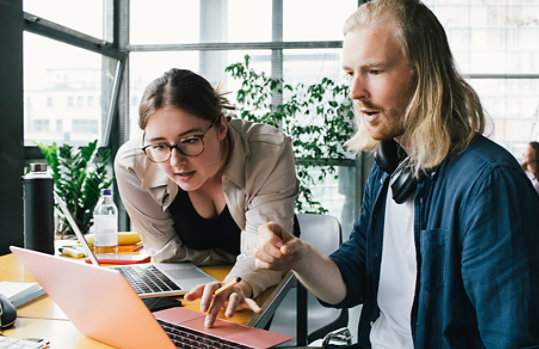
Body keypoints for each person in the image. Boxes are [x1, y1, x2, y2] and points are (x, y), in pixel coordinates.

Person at [255, 0, 539, 348]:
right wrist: (299, 257)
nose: (355, 92)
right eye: (349, 73)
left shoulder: (488, 184)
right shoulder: (389, 167)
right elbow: (354, 274)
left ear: (424, 74)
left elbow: (512, 338)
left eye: (374, 71)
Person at [114, 68, 298, 328]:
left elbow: (262, 256)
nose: (176, 161)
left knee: (236, 327)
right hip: (193, 282)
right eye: (159, 145)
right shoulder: (133, 163)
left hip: (262, 276)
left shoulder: (270, 149)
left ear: (222, 126)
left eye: (190, 140)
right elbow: (166, 253)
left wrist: (237, 283)